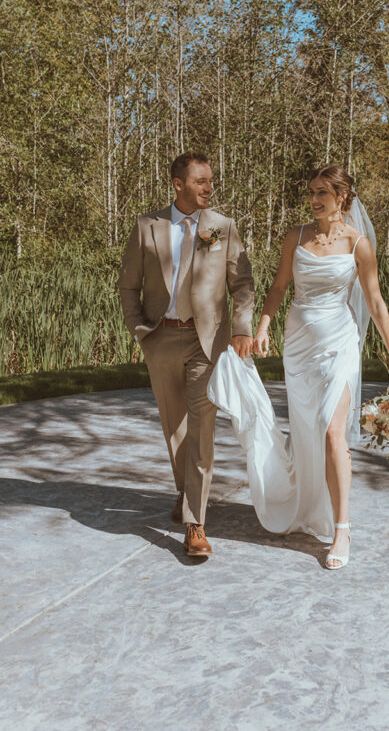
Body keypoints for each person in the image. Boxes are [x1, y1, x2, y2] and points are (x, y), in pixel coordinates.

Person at [208, 164, 389, 569]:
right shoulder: (295, 237)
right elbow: (280, 286)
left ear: (342, 198)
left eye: (322, 193)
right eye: (311, 193)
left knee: (334, 432)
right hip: (299, 345)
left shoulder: (358, 244)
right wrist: (263, 328)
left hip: (339, 342)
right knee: (306, 431)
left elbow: (375, 301)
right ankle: (307, 505)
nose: (314, 200)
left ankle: (341, 529)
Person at [117, 151, 254, 557]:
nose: (209, 187)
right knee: (173, 425)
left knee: (201, 428)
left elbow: (242, 284)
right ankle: (185, 490)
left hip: (206, 341)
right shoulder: (147, 227)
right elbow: (128, 285)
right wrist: (139, 329)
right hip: (160, 337)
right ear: (178, 185)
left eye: (210, 180)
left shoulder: (222, 227)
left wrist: (243, 328)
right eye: (201, 181)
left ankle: (195, 522)